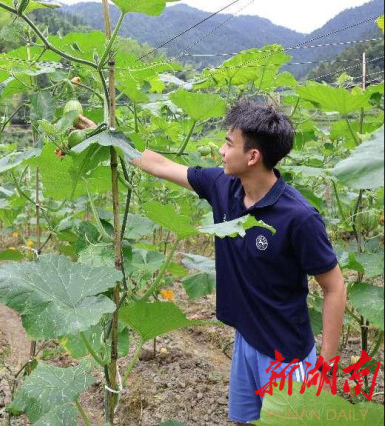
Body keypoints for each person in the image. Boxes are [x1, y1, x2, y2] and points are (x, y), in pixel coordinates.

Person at [76, 100, 346, 424]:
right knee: (243, 419)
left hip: (285, 356)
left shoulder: (299, 217)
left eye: (228, 143)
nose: (221, 149)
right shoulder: (224, 186)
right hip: (245, 338)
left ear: (253, 156)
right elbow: (160, 164)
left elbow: (334, 288)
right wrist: (104, 136)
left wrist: (327, 368)